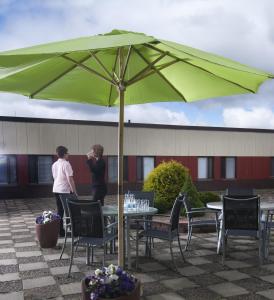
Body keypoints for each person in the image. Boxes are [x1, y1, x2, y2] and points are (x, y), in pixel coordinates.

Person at [52, 145, 77, 237]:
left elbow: (55, 177)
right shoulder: (66, 164)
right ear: (64, 154)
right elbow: (70, 179)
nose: (68, 154)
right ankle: (72, 229)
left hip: (56, 189)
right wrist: (74, 191)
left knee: (60, 210)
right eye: (67, 153)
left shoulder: (54, 164)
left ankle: (60, 231)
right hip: (64, 190)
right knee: (70, 210)